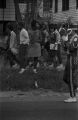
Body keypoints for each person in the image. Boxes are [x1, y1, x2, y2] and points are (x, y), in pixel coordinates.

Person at [63, 28, 78, 102]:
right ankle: (76, 87)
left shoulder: (75, 38)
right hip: (69, 58)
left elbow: (72, 48)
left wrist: (67, 42)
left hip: (73, 58)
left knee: (71, 78)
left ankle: (73, 97)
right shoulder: (69, 37)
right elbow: (65, 49)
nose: (68, 33)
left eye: (69, 32)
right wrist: (65, 42)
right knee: (65, 78)